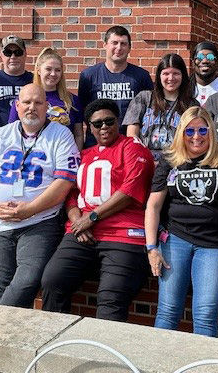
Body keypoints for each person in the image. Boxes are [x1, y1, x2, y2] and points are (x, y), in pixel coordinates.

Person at [40, 99, 155, 321]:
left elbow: (130, 190)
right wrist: (77, 221)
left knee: (110, 300)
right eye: (97, 123)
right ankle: (52, 348)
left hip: (124, 233)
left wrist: (91, 217)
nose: (103, 127)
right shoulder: (84, 154)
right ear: (89, 128)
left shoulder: (132, 147)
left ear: (118, 121)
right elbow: (71, 193)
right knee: (53, 281)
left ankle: (104, 356)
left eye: (109, 121)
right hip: (82, 232)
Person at [0, 84, 80, 308]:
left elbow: (65, 182)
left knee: (27, 281)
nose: (32, 108)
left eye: (38, 103)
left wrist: (29, 209)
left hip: (39, 222)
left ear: (47, 107)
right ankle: (5, 338)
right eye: (27, 103)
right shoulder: (1, 134)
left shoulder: (61, 135)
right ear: (17, 106)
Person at [145, 106, 218, 337]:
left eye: (202, 130)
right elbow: (153, 206)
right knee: (167, 311)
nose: (196, 136)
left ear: (211, 131)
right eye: (189, 131)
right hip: (176, 239)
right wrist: (151, 248)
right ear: (181, 133)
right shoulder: (171, 159)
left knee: (205, 314)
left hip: (215, 244)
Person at [78, 25, 153, 147]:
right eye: (114, 43)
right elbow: (84, 112)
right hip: (96, 143)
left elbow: (148, 112)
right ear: (105, 45)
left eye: (123, 44)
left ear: (129, 48)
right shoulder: (88, 76)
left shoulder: (141, 76)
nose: (119, 48)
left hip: (128, 143)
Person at [123, 53, 198, 161]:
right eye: (166, 73)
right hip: (145, 161)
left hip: (176, 163)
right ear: (159, 75)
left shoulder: (191, 104)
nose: (171, 78)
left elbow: (193, 139)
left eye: (176, 73)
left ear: (183, 76)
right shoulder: (144, 98)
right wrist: (141, 158)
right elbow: (132, 135)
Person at [8, 47, 84, 149]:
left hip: (64, 156)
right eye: (48, 69)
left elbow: (78, 134)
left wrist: (76, 158)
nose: (53, 74)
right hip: (33, 157)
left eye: (57, 70)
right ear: (39, 70)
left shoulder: (72, 100)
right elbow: (12, 133)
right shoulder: (24, 99)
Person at [190, 41, 218, 106]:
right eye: (200, 57)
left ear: (217, 62)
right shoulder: (185, 87)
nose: (205, 61)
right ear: (193, 62)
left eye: (210, 57)